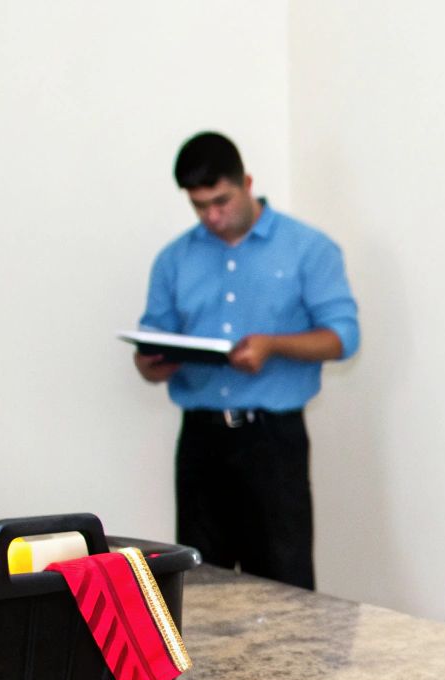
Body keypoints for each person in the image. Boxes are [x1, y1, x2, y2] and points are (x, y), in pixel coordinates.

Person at [135, 131, 359, 590]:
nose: (213, 216)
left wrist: (273, 346)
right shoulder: (173, 259)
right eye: (200, 206)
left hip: (273, 441)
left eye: (221, 201)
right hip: (200, 439)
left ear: (248, 182)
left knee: (284, 585)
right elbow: (151, 342)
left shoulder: (308, 248)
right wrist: (153, 363)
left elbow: (343, 337)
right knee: (199, 588)